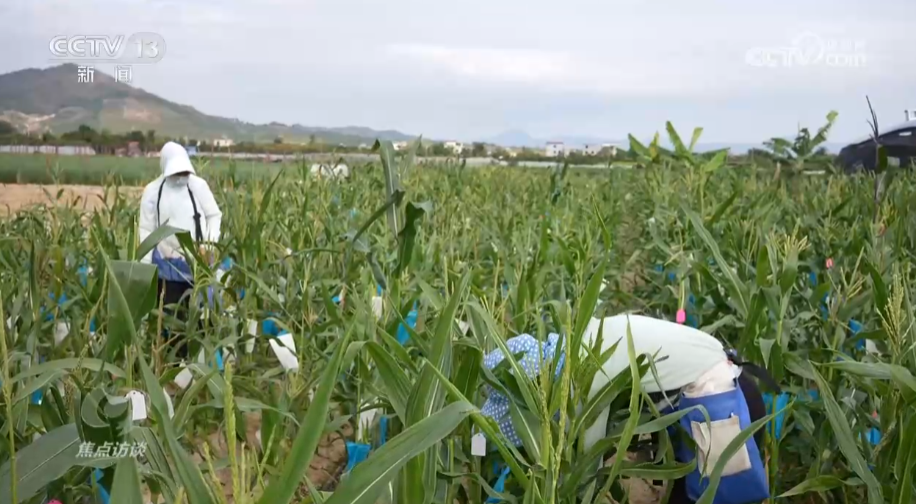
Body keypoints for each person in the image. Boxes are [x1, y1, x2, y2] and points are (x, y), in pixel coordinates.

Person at [479, 313, 775, 504]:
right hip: (713, 394)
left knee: (715, 498)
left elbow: (584, 474)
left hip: (722, 404)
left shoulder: (586, 376)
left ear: (537, 387)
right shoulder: (582, 339)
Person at [139, 141, 222, 358]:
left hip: (199, 267)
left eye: (184, 172)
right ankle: (175, 369)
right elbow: (147, 229)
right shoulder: (152, 192)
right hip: (168, 271)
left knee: (202, 320)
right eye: (176, 172)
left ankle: (203, 368)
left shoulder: (198, 186)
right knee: (172, 323)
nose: (181, 177)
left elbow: (214, 215)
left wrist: (208, 244)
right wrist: (144, 267)